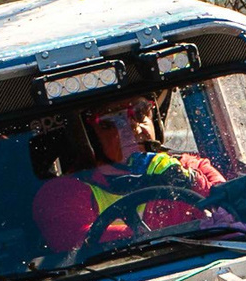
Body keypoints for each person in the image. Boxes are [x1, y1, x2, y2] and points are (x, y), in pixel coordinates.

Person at [33, 93, 229, 256]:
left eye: (140, 113)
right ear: (87, 136)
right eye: (111, 122)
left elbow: (232, 206)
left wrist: (189, 180)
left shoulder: (191, 166)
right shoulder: (61, 193)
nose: (133, 128)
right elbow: (77, 243)